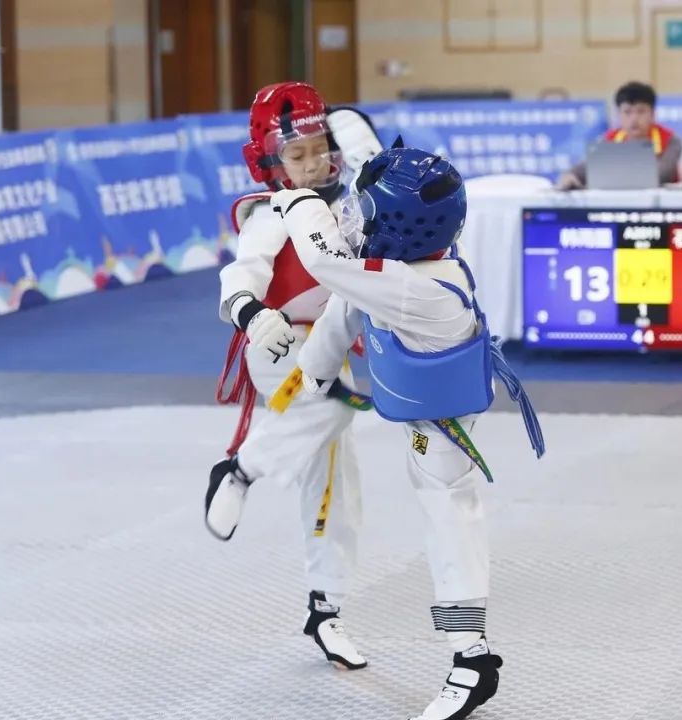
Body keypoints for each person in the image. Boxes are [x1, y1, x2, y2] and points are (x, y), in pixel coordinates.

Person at [243, 146, 545, 720]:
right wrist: (313, 377)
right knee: (437, 509)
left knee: (448, 516)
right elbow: (346, 303)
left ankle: (472, 659)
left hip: (444, 431)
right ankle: (470, 655)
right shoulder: (393, 273)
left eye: (368, 211)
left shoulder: (418, 286)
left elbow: (330, 268)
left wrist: (301, 202)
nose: (358, 220)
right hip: (422, 414)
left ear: (402, 225)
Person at [205, 81, 382, 672]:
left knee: (336, 485)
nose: (312, 163)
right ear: (270, 162)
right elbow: (240, 275)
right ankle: (241, 468)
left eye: (318, 149)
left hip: (331, 346)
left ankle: (325, 608)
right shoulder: (272, 211)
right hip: (279, 344)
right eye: (296, 154)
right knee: (333, 405)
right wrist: (252, 316)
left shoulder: (349, 203)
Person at [557, 81, 682, 188]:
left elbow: (662, 176)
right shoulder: (609, 139)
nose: (634, 119)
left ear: (653, 114)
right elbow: (585, 169)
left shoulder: (671, 140)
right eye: (627, 112)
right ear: (618, 115)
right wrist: (569, 175)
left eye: (641, 111)